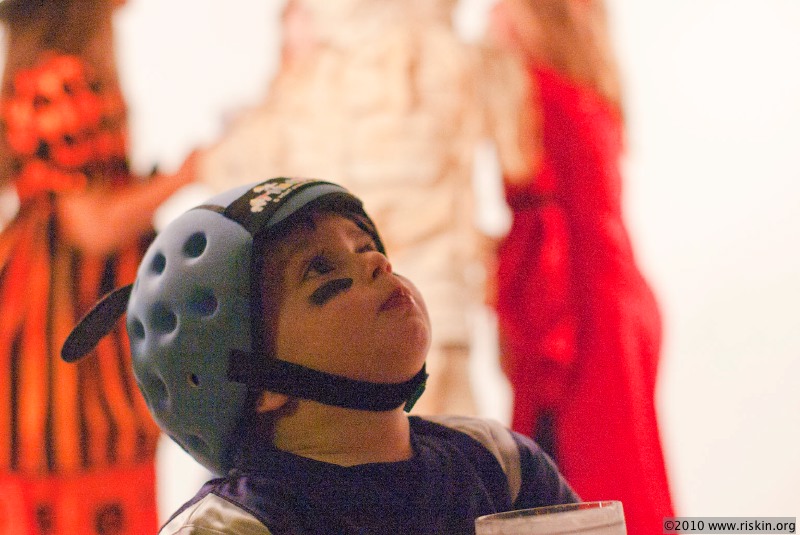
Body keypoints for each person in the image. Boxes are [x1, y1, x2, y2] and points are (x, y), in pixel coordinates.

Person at [61, 177, 579, 534]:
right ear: (259, 383)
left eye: (365, 246)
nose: (376, 263)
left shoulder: (499, 461)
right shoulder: (233, 527)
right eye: (321, 271)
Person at [195, 0, 529, 417]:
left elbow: (238, 175)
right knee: (450, 443)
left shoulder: (317, 85)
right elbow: (522, 157)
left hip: (352, 332)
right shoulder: (460, 63)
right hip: (436, 316)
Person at [0, 0, 195, 532]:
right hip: (66, 308)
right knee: (82, 457)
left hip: (54, 298)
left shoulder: (49, 71)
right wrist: (187, 175)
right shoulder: (62, 77)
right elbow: (92, 227)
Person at [486, 1, 675, 533]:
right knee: (626, 479)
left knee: (585, 487)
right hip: (619, 299)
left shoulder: (535, 90)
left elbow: (543, 224)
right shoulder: (584, 89)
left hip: (580, 311)